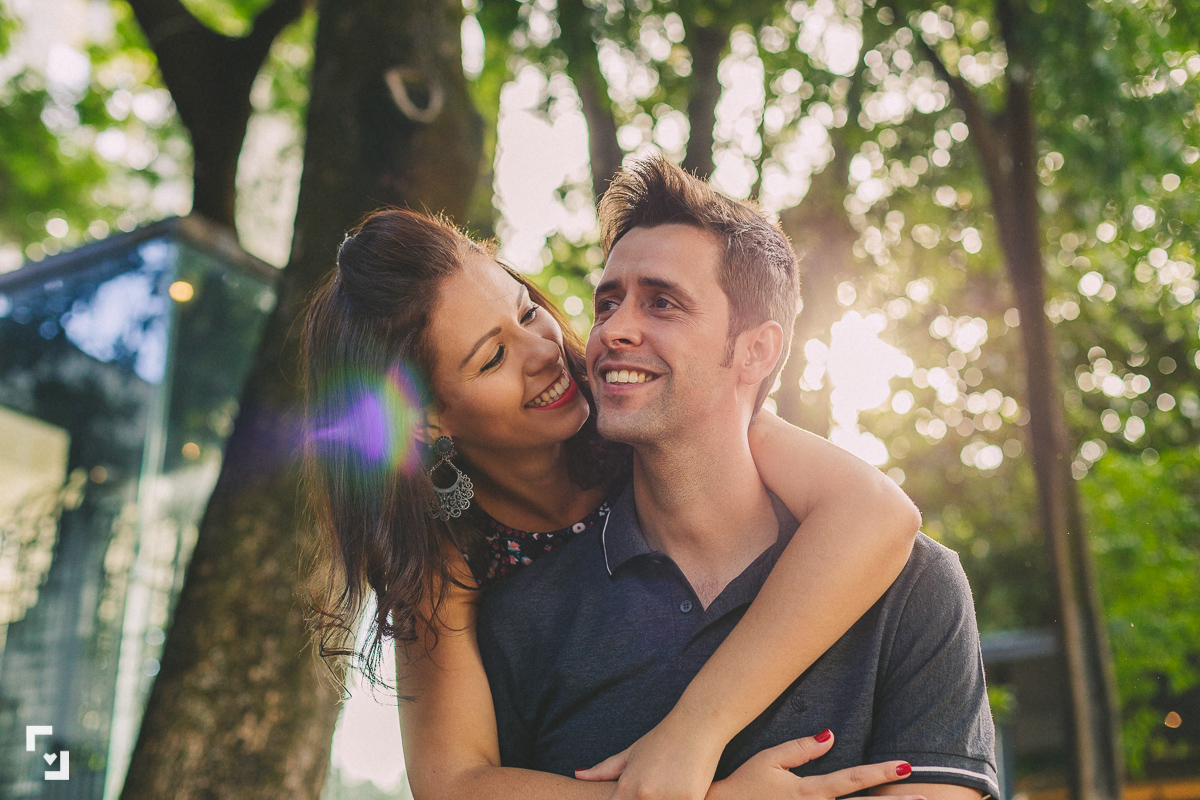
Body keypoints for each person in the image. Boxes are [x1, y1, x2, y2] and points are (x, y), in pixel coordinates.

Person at [302, 197, 922, 800]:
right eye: (493, 358)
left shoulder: (644, 406)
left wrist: (691, 734)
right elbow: (454, 783)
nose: (545, 352)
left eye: (525, 314)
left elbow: (878, 513)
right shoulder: (447, 551)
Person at [475, 155, 999, 800]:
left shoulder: (912, 586)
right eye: (607, 303)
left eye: (661, 303)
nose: (614, 330)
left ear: (756, 351)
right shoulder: (525, 615)